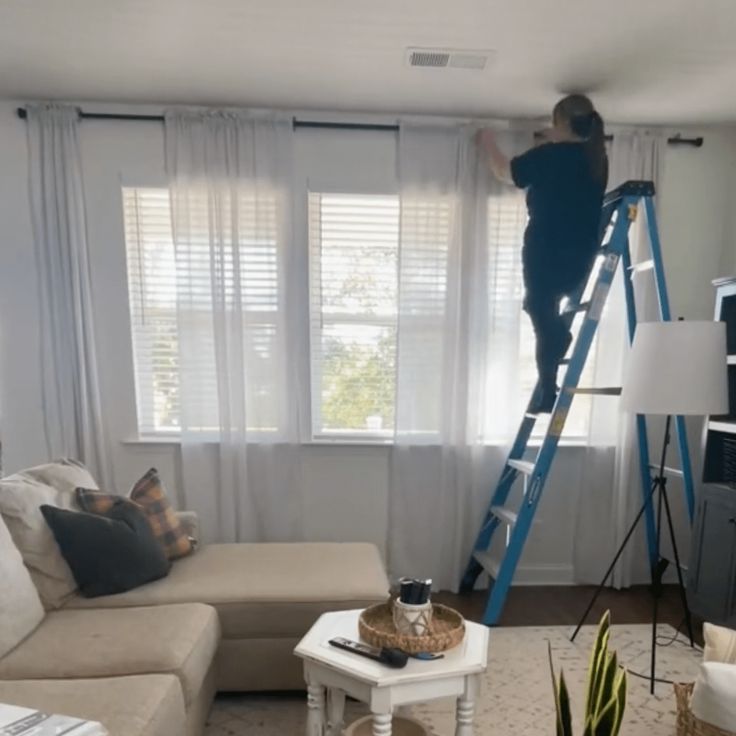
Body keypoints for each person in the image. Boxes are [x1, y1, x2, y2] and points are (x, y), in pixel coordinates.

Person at [478, 94, 608, 413]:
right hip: (581, 256)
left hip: (545, 250)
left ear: (560, 122)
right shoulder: (595, 158)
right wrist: (553, 139)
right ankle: (548, 385)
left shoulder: (549, 156)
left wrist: (487, 141)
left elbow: (503, 172)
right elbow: (566, 164)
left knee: (539, 309)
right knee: (542, 313)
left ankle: (554, 365)